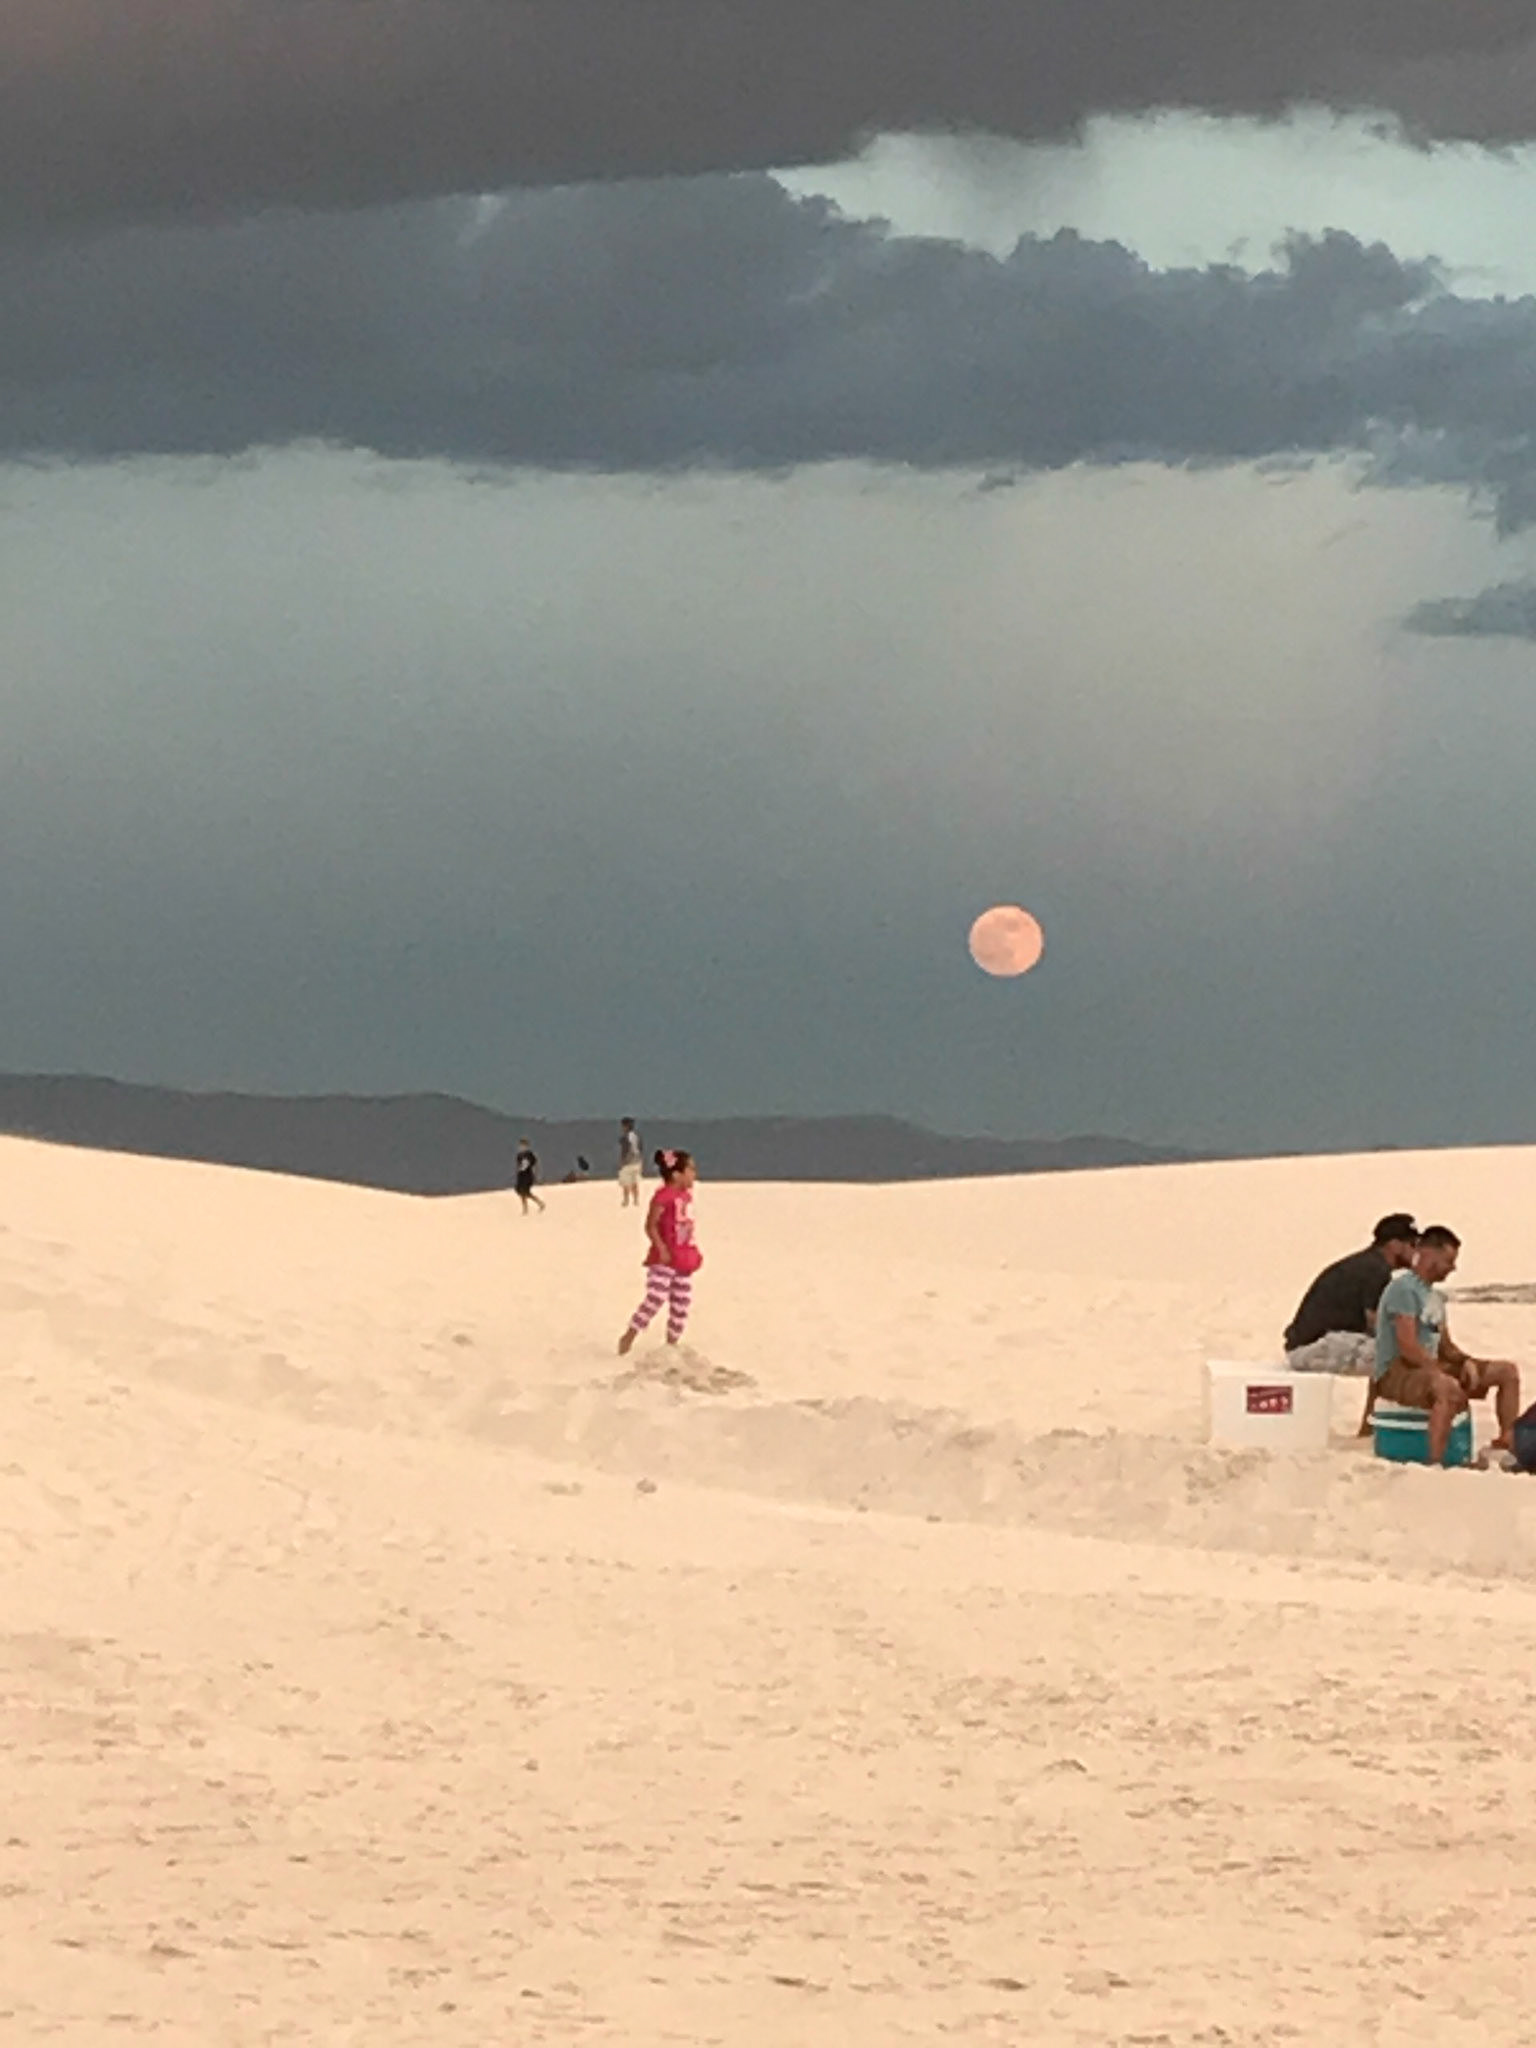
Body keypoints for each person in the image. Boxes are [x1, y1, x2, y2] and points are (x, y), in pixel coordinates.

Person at [1373, 1224, 1521, 1465]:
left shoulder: (1435, 1297)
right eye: (1448, 1260)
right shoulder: (1403, 1289)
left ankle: (1507, 1441)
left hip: (1428, 1365)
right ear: (1430, 1255)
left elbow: (1446, 1347)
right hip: (1398, 1371)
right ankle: (1436, 1461)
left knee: (1506, 1372)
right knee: (1447, 1388)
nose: (1452, 1268)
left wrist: (1466, 1362)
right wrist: (1438, 1371)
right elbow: (1407, 1346)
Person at [1284, 1213, 1420, 1377]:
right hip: (1313, 1348)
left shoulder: (1368, 1263)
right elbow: (1377, 1323)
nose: (1417, 1253)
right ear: (1395, 1245)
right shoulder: (1376, 1269)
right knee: (1398, 1358)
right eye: (1413, 1245)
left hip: (1320, 1344)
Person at [617, 1148, 701, 1354]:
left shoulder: (685, 1196)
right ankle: (630, 1334)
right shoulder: (663, 1196)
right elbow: (651, 1225)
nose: (694, 1174)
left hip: (683, 1257)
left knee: (681, 1305)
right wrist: (661, 1247)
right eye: (690, 1169)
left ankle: (672, 1344)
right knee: (656, 1297)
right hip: (664, 1258)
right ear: (676, 1175)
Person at [513, 1137, 545, 1216]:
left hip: (528, 1176)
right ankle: (527, 1208)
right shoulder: (519, 1156)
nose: (522, 1147)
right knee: (521, 1192)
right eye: (521, 1145)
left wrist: (536, 1175)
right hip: (521, 1176)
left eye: (523, 1145)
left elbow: (535, 1165)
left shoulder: (529, 1155)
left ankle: (538, 1204)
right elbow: (518, 1166)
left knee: (526, 1192)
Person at [617, 1117, 644, 1208]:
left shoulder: (625, 1137)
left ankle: (626, 1200)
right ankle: (636, 1200)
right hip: (637, 1161)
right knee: (635, 1182)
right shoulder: (636, 1136)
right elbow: (640, 1148)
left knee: (626, 1183)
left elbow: (625, 1150)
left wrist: (622, 1161)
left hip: (628, 1162)